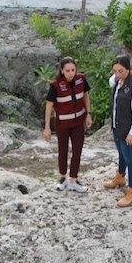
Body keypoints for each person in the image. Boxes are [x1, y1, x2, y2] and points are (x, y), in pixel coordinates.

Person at [103, 55, 132, 208]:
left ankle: (131, 191)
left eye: (120, 71)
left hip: (129, 128)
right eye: (115, 71)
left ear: (128, 69)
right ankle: (120, 177)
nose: (117, 74)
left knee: (130, 158)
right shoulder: (117, 80)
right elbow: (112, 82)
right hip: (118, 125)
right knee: (121, 153)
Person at [43, 57, 92, 193]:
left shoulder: (81, 79)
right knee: (62, 150)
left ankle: (73, 180)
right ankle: (63, 178)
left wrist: (89, 113)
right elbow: (49, 106)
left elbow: (86, 96)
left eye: (73, 70)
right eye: (67, 70)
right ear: (62, 71)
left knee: (77, 150)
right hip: (62, 124)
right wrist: (47, 127)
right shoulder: (55, 85)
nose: (71, 73)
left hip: (78, 123)